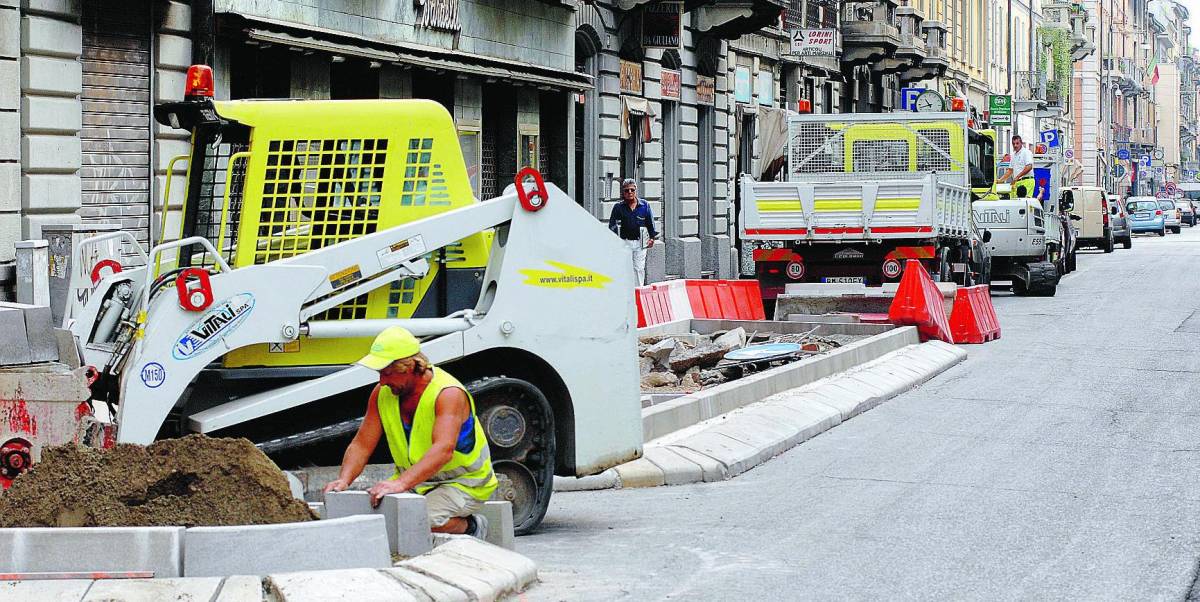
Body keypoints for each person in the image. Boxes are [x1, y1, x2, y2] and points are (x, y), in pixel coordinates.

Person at [323, 327, 497, 539]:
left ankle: (472, 527)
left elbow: (444, 450)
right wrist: (344, 480)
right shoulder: (382, 394)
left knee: (420, 521)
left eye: (387, 373)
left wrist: (400, 484)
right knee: (385, 521)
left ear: (409, 367)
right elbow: (362, 444)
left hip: (464, 483)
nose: (382, 381)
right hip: (419, 482)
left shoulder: (448, 393)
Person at [608, 178, 658, 286]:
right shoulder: (618, 207)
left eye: (632, 190)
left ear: (636, 190)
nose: (630, 192)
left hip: (641, 242)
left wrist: (652, 239)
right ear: (623, 192)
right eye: (627, 190)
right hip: (625, 242)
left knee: (639, 268)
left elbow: (650, 223)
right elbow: (612, 225)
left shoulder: (645, 205)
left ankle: (638, 292)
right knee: (625, 268)